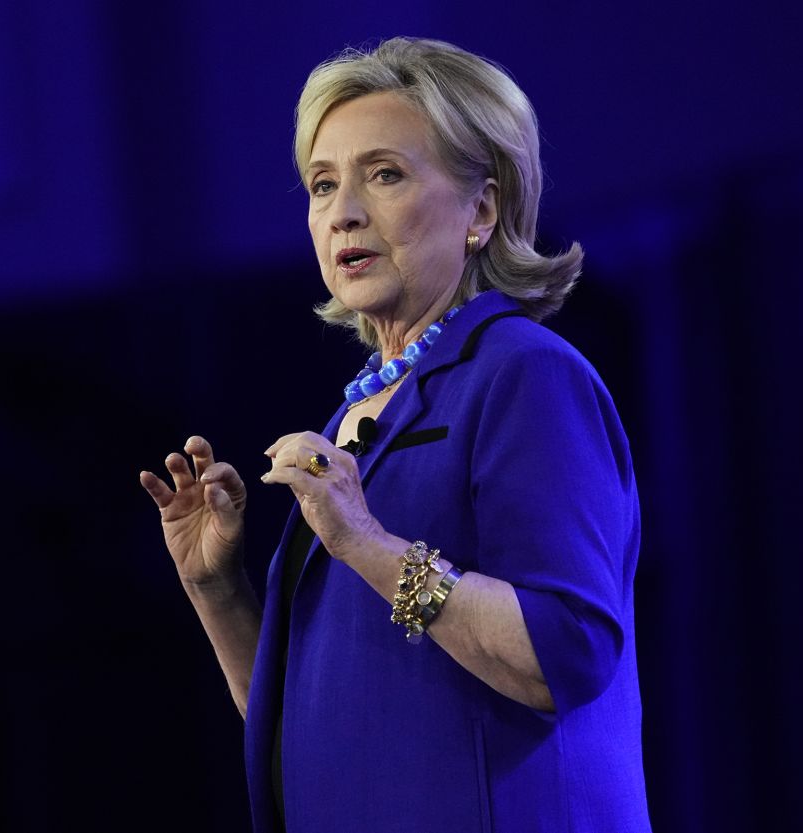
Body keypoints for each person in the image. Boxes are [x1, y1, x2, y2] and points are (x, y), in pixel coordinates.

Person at [138, 37, 650, 833]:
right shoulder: (356, 417)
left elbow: (566, 652)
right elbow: (299, 722)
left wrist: (368, 546)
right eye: (321, 183)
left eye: (384, 174)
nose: (342, 211)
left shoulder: (524, 376)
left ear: (481, 209)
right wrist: (216, 587)